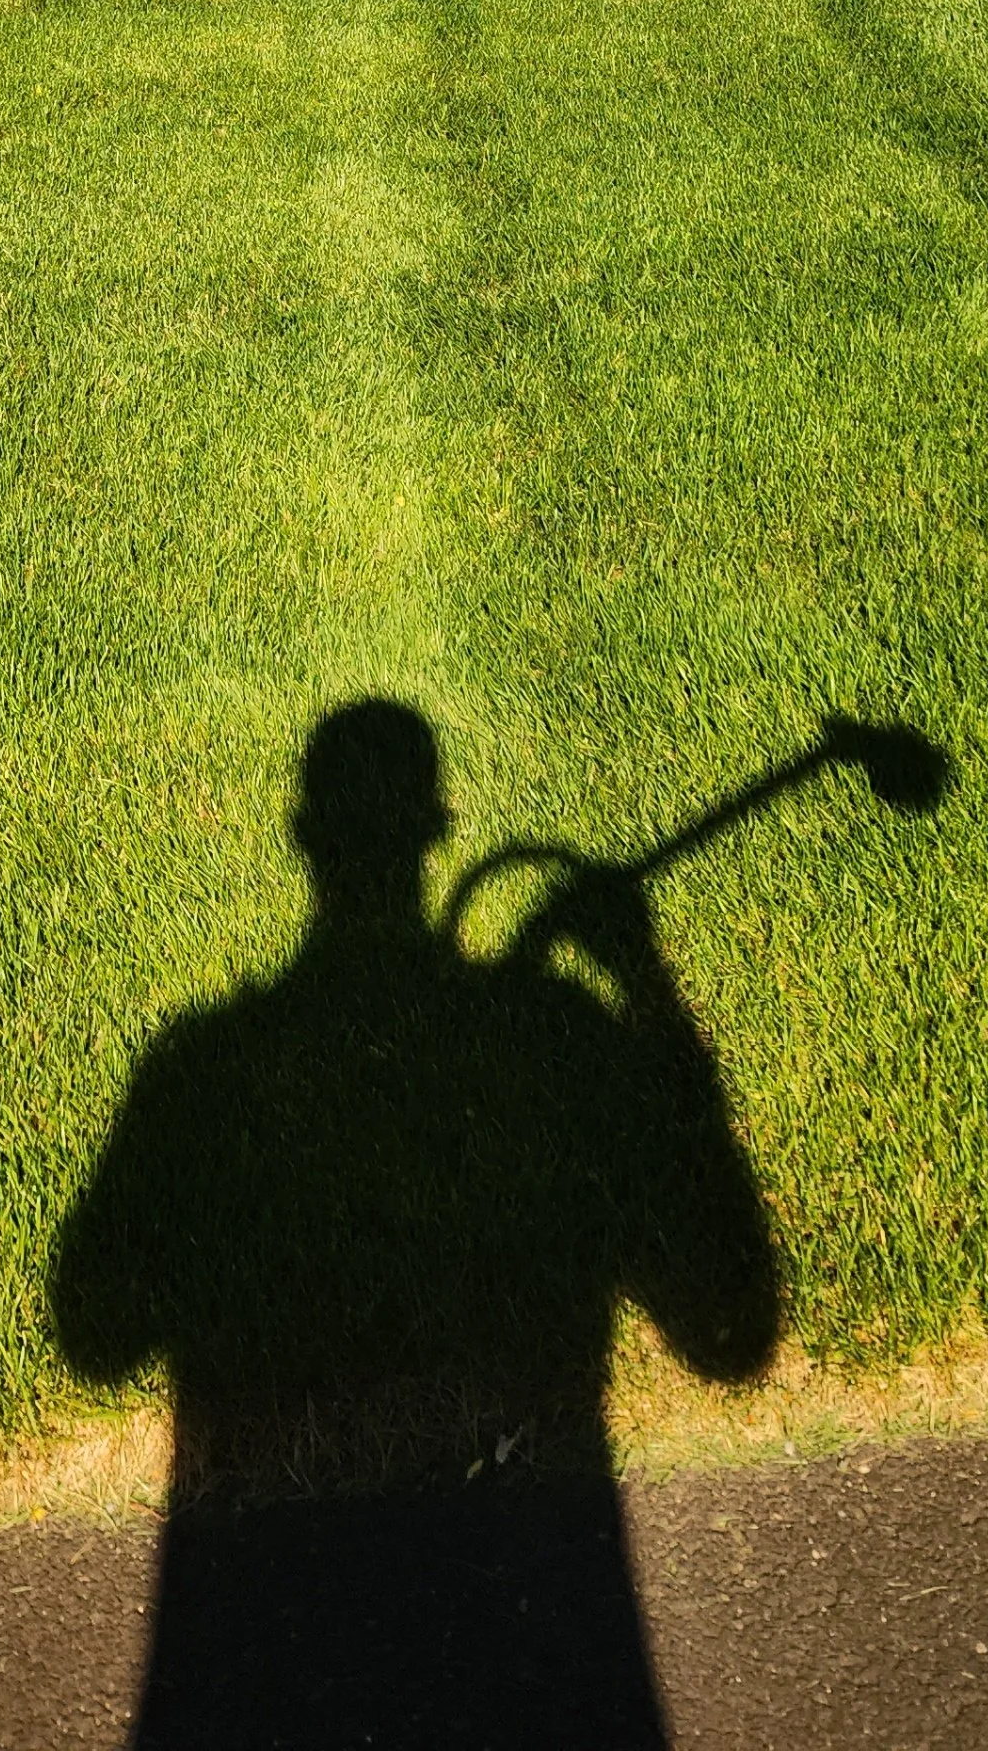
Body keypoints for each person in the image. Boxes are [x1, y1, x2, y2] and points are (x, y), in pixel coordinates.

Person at [50, 699, 780, 1748]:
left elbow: (94, 1334)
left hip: (263, 1630)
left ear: (303, 834)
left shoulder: (198, 1065)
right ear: (439, 828)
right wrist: (644, 984)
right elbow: (729, 1334)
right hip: (538, 1614)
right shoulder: (559, 1037)